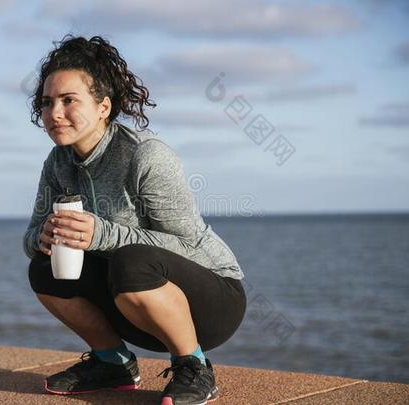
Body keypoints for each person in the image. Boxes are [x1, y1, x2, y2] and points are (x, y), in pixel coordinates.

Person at [24, 34, 246, 405]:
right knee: (44, 269)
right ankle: (113, 362)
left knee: (132, 260)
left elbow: (190, 246)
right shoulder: (58, 162)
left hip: (213, 299)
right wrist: (42, 238)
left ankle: (194, 367)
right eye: (47, 103)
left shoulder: (146, 157)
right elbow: (30, 236)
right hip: (130, 298)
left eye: (68, 100)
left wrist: (102, 234)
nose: (54, 113)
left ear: (103, 107)